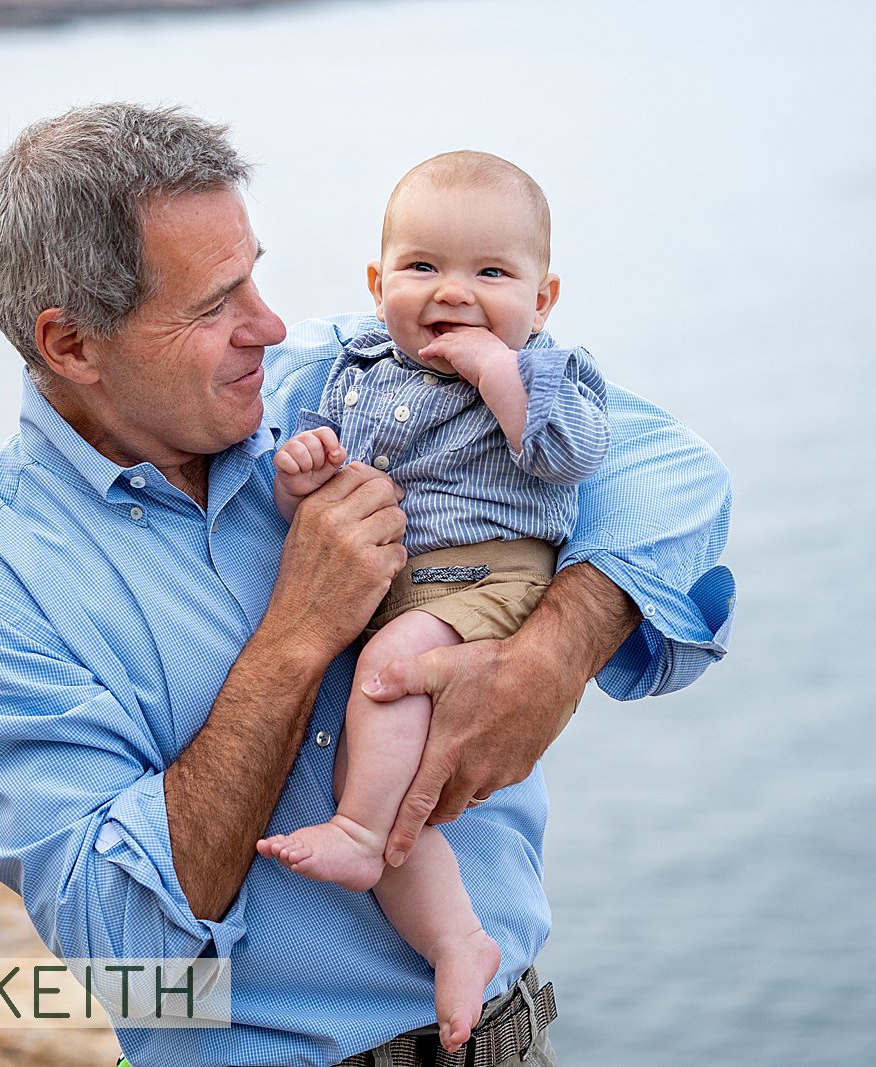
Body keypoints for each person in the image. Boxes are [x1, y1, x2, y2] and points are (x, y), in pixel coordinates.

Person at [0, 102, 736, 1067]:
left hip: (510, 1041)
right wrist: (295, 636)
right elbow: (127, 950)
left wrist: (551, 655)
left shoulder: (340, 377)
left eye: (254, 273)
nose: (267, 324)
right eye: (214, 305)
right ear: (72, 347)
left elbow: (670, 469)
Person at [256, 150, 607, 1052]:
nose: (454, 293)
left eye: (491, 274)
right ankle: (456, 938)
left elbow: (568, 454)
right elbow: (344, 495)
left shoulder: (551, 371)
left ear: (545, 296)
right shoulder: (357, 370)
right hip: (405, 581)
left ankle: (363, 835)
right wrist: (305, 484)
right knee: (378, 770)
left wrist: (500, 371)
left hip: (489, 572)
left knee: (385, 677)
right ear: (378, 285)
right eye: (423, 268)